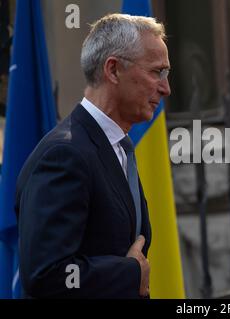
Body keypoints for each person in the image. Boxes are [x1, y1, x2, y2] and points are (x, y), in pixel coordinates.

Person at [15, 13, 170, 298]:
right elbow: (46, 274)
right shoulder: (64, 155)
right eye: (156, 72)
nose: (165, 88)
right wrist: (130, 272)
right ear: (113, 70)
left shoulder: (116, 148)